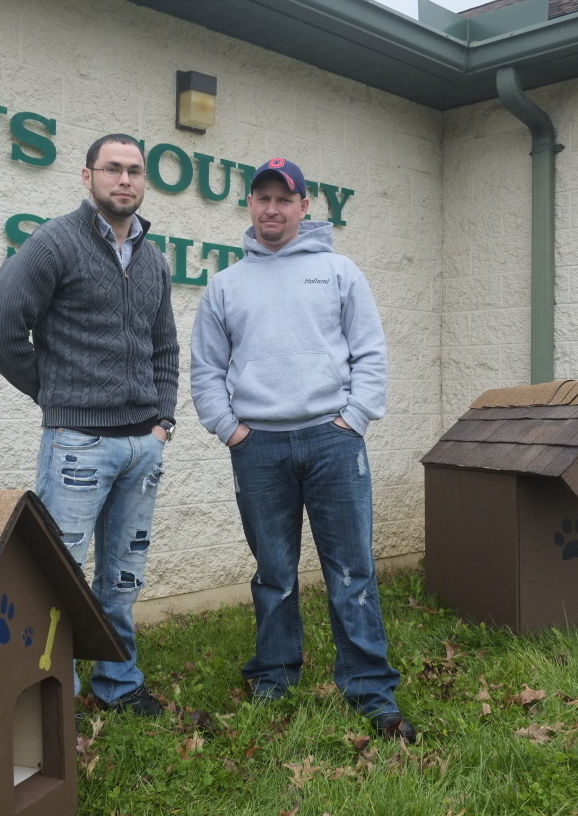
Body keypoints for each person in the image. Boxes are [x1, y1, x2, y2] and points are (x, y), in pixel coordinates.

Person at [189, 157, 415, 742]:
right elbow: (207, 368)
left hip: (331, 441)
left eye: (283, 200)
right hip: (257, 446)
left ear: (304, 206)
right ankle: (274, 678)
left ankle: (370, 689)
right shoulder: (226, 284)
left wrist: (354, 419)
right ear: (250, 206)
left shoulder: (339, 272)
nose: (271, 209)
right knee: (275, 573)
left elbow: (369, 352)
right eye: (261, 198)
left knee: (352, 571)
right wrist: (229, 428)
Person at [0, 133, 178, 716]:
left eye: (135, 171)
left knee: (121, 579)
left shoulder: (153, 259)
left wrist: (162, 421)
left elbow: (164, 346)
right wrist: (57, 395)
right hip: (78, 446)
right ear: (86, 176)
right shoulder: (53, 244)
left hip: (142, 446)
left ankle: (118, 684)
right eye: (112, 169)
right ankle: (51, 698)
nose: (125, 180)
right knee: (59, 578)